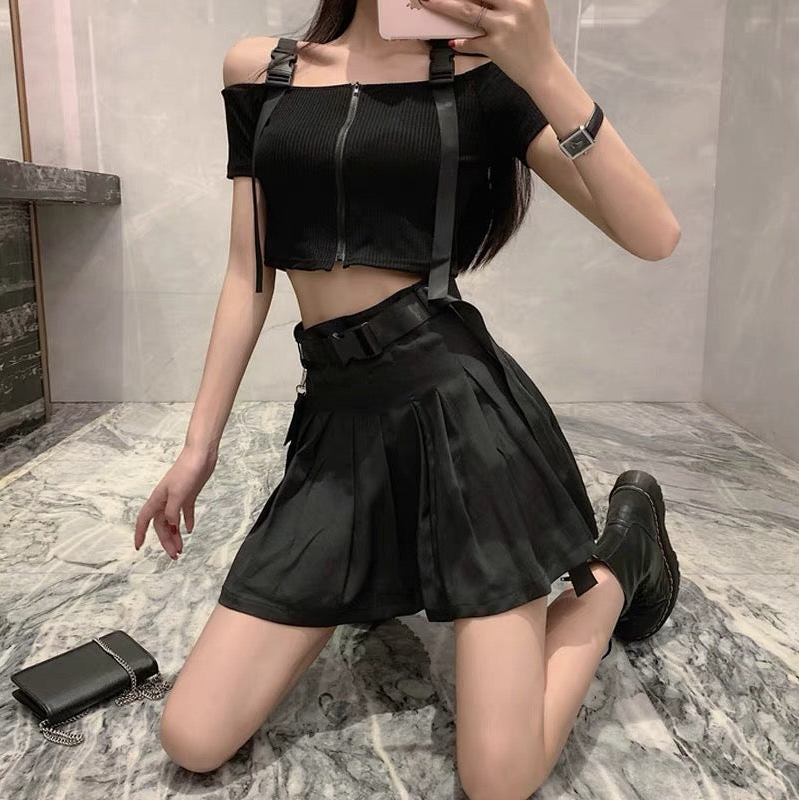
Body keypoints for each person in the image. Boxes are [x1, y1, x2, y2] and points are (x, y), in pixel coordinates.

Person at [135, 0, 682, 794]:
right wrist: (198, 448)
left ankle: (622, 559)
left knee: (499, 778)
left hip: (459, 419)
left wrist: (543, 68)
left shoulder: (484, 81)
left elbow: (654, 234)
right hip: (338, 428)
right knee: (192, 735)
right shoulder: (261, 70)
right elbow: (247, 272)